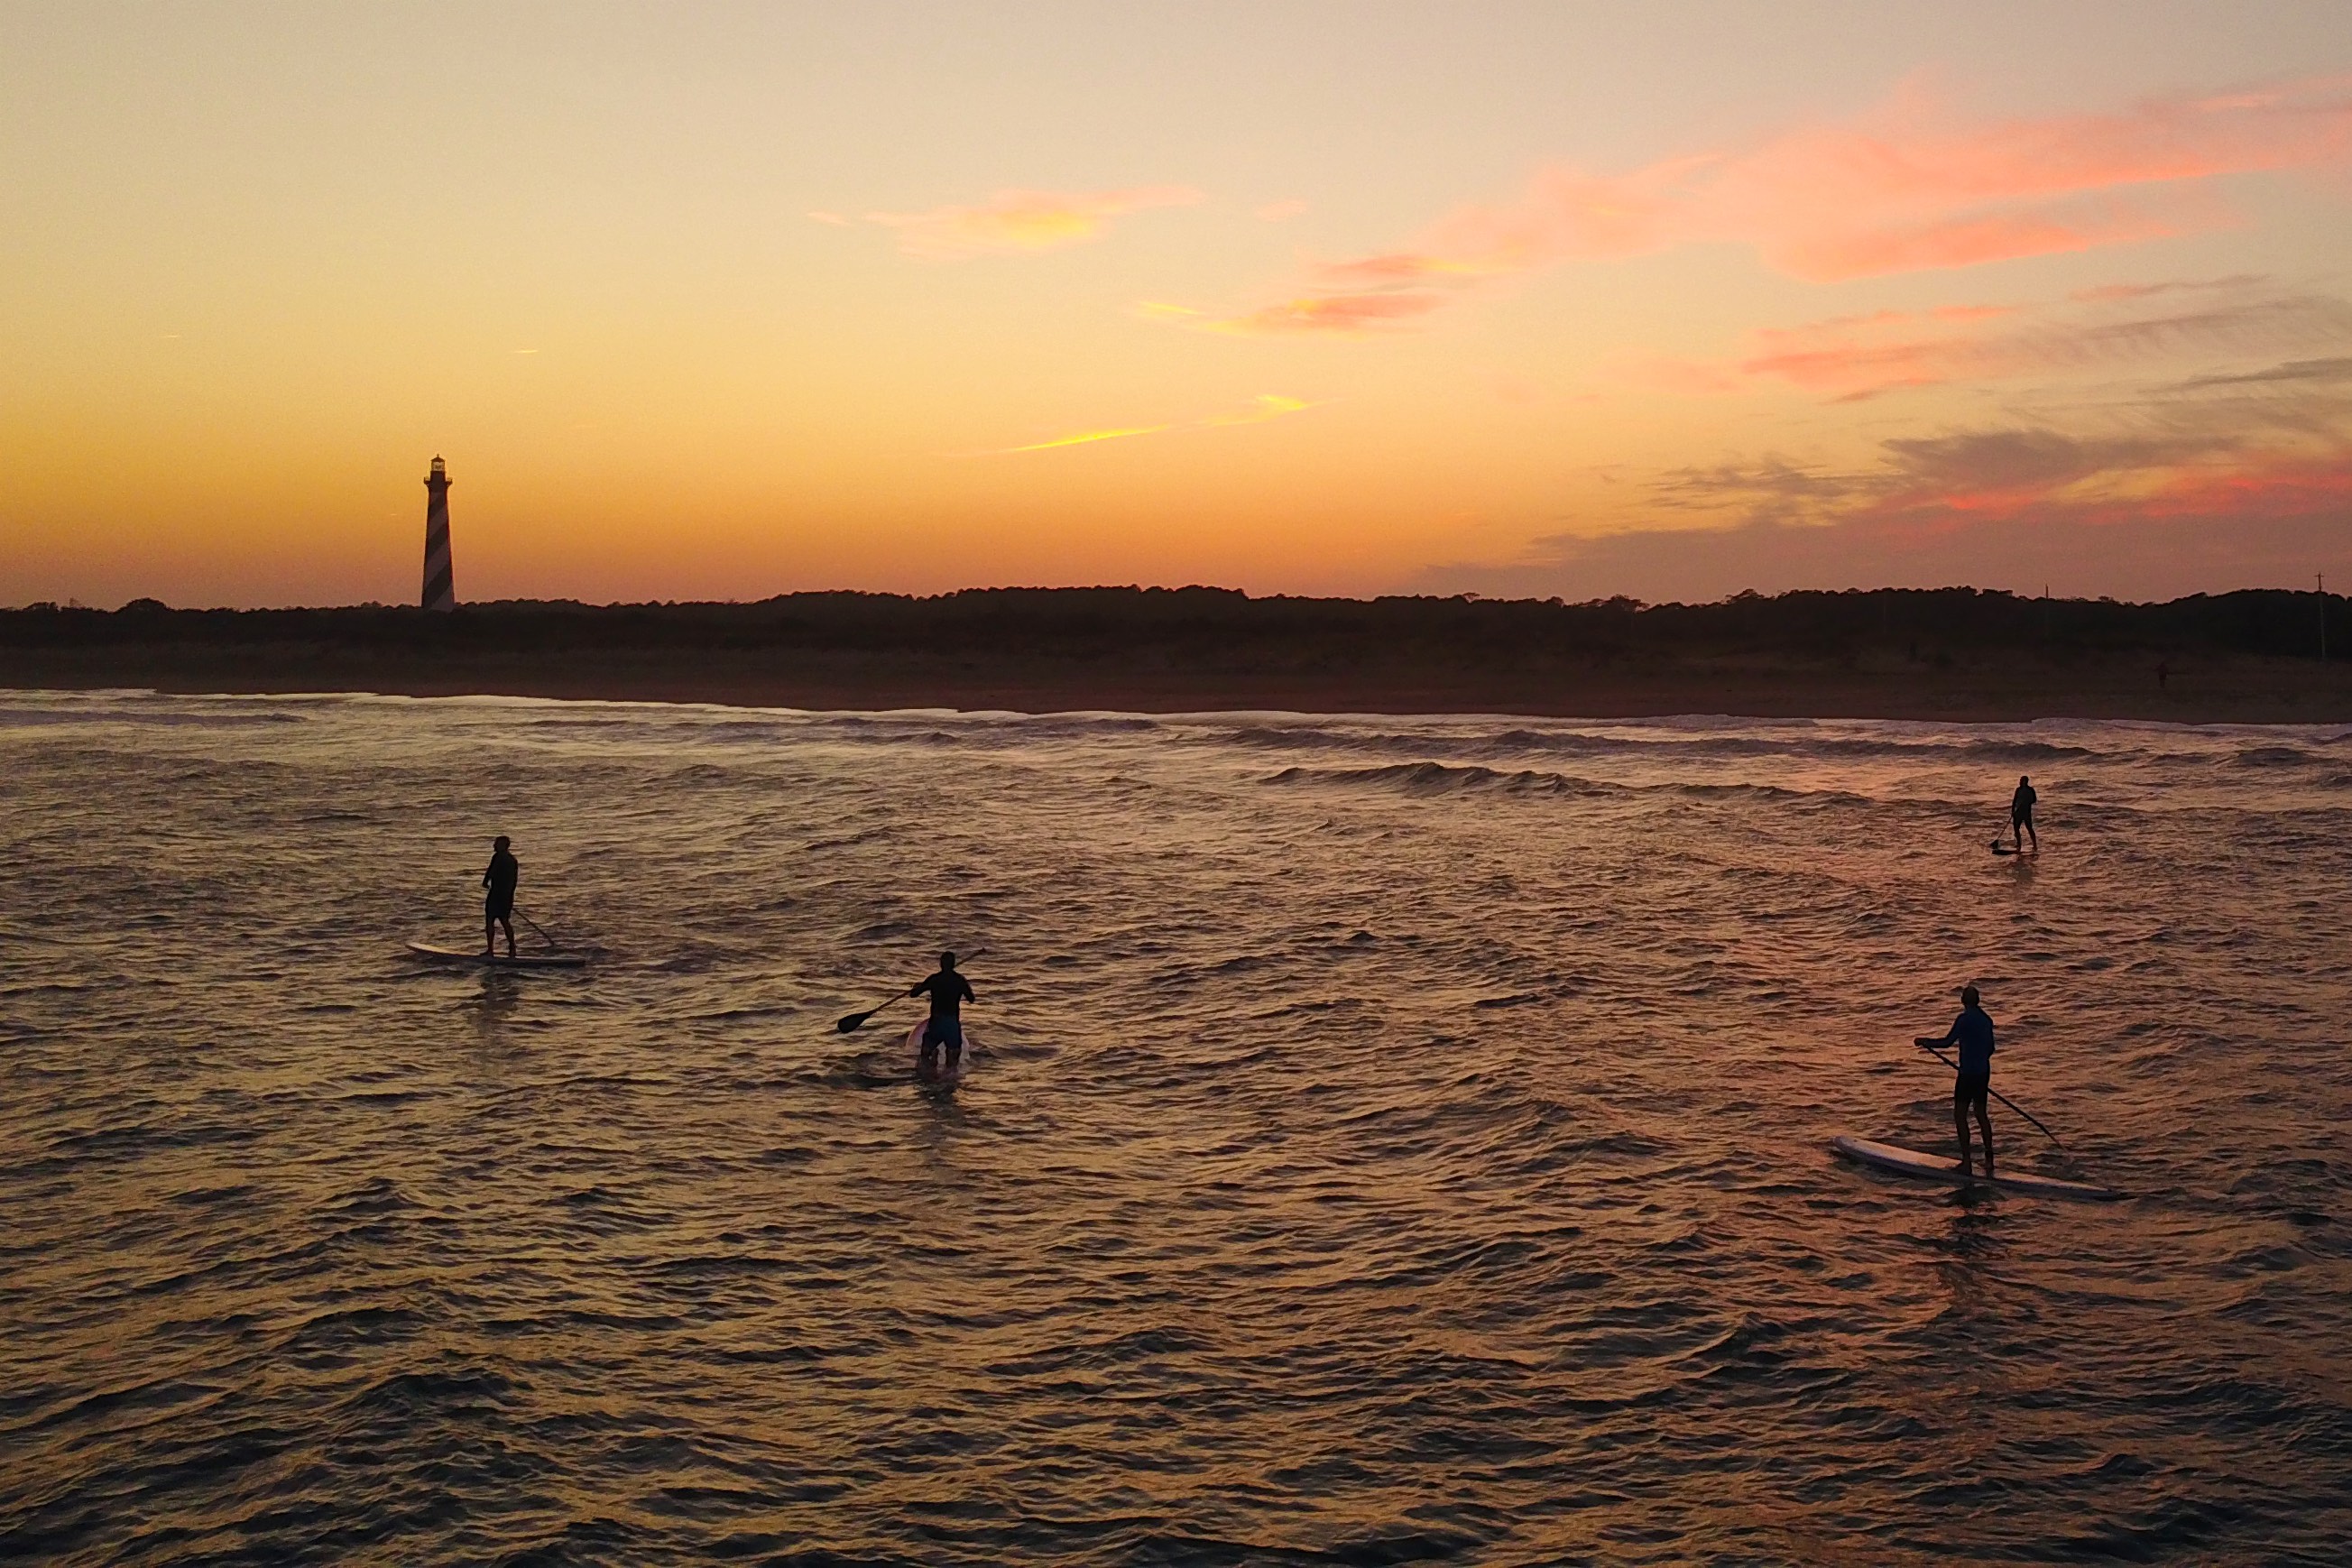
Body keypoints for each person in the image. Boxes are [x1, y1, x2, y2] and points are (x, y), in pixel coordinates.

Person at [1917, 985, 1996, 1181]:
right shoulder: (1986, 1020)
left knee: (1960, 1115)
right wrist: (1979, 1061)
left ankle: (1967, 1162)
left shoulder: (1964, 1020)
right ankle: (1989, 1159)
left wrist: (1925, 1042)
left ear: (1963, 1001)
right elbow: (1991, 1048)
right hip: (1983, 1073)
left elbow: (1947, 1042)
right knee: (1981, 1114)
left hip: (1967, 1074)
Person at [909, 951, 975, 1080]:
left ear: (940, 964)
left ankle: (930, 1070)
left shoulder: (934, 979)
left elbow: (914, 994)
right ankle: (948, 1083)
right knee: (953, 1061)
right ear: (953, 964)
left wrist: (917, 986)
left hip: (936, 1023)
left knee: (925, 1054)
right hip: (952, 1023)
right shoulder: (959, 980)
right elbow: (971, 999)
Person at [483, 835, 520, 958]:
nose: (494, 846)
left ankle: (490, 950)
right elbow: (514, 881)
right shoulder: (512, 860)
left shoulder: (499, 858)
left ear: (503, 845)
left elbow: (491, 873)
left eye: (496, 844)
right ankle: (512, 949)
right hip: (506, 895)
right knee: (504, 920)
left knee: (490, 920)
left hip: (497, 894)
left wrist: (485, 882)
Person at [2009, 775, 2039, 854]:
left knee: (2029, 828)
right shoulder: (2018, 790)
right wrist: (2013, 810)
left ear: (2026, 781)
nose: (2022, 782)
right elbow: (2014, 800)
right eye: (2021, 781)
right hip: (2018, 812)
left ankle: (2035, 845)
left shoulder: (2030, 790)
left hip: (2026, 812)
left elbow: (2034, 800)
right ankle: (2019, 844)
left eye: (2023, 781)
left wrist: (2027, 801)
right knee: (2016, 828)